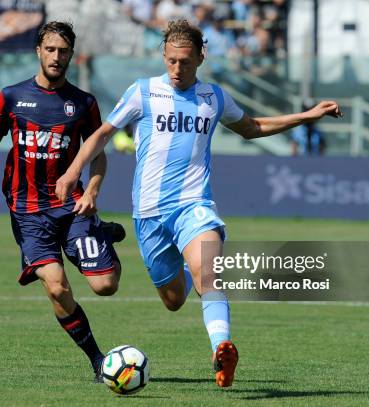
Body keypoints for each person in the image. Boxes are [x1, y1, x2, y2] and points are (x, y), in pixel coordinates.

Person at [55, 19, 342, 387]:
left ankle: (221, 349)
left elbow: (252, 127)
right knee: (173, 299)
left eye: (186, 62)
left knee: (211, 275)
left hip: (194, 206)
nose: (177, 69)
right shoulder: (143, 92)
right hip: (149, 215)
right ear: (163, 55)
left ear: (201, 58)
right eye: (172, 60)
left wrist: (306, 116)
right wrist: (74, 172)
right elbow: (104, 134)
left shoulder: (214, 98)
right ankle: (193, 277)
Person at [0, 21, 125, 383]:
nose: (56, 57)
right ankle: (98, 360)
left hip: (72, 206)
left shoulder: (84, 104)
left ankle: (99, 233)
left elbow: (98, 154)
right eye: (50, 49)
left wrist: (93, 191)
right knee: (56, 286)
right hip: (27, 212)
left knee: (105, 286)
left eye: (63, 51)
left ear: (72, 54)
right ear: (38, 51)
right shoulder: (11, 97)